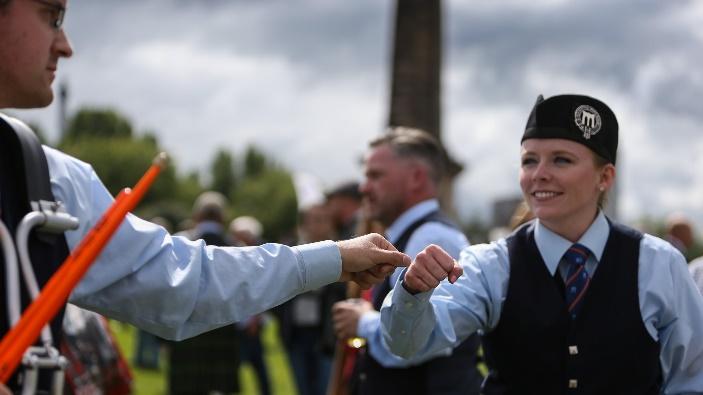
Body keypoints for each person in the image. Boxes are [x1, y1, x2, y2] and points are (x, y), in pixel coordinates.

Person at [0, 0, 408, 392]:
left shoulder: (45, 175)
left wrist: (331, 258)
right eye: (51, 15)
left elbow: (181, 282)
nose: (65, 45)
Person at [380, 94, 703, 394]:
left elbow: (691, 379)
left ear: (604, 178)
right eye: (529, 161)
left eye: (561, 160)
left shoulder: (660, 263)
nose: (539, 174)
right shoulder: (490, 264)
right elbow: (410, 346)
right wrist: (413, 294)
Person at [333, 127, 482, 395]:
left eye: (375, 175)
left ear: (416, 178)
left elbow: (426, 338)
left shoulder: (431, 237)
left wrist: (363, 322)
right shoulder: (413, 233)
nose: (363, 187)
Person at [168, 192, 241, 395]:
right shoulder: (237, 248)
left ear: (197, 217)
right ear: (222, 218)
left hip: (185, 331)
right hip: (224, 330)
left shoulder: (180, 244)